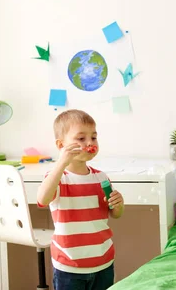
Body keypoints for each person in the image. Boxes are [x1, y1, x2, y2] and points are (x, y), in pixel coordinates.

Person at [37, 109, 124, 290]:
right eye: (81, 138)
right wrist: (61, 162)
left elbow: (115, 214)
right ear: (61, 145)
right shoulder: (57, 178)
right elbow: (43, 199)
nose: (90, 143)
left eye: (94, 137)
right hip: (69, 266)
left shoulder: (101, 178)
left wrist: (119, 204)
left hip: (103, 261)